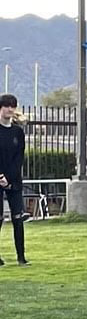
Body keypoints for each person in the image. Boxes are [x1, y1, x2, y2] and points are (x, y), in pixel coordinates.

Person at [0, 94, 29, 267]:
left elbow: (19, 158)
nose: (10, 109)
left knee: (18, 218)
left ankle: (21, 257)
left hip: (14, 180)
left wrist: (9, 178)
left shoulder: (18, 132)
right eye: (7, 106)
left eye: (13, 106)